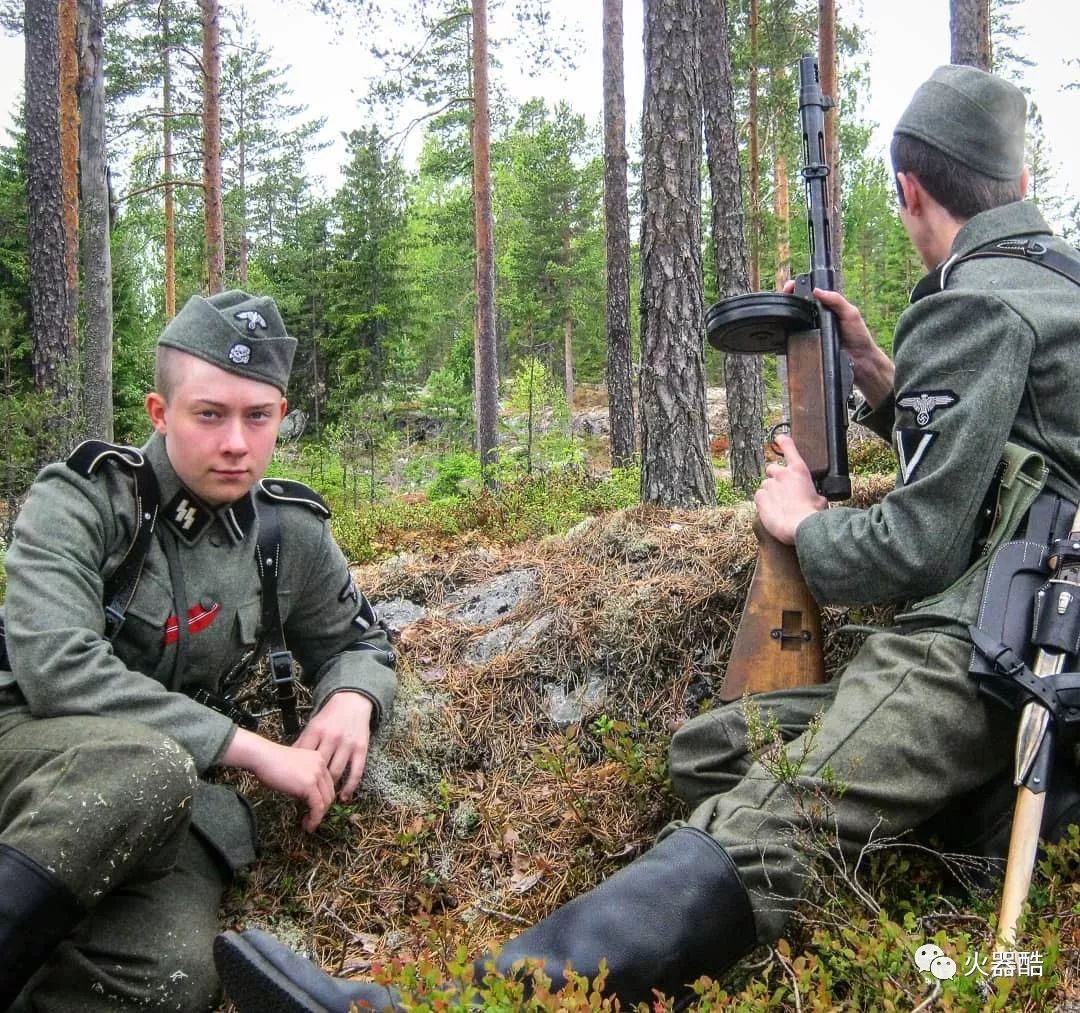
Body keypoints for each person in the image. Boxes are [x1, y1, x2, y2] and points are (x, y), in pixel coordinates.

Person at [213, 65, 1080, 1012]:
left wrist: (804, 523)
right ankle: (978, 826)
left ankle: (449, 1003)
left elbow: (915, 548)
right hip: (1042, 642)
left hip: (1000, 647)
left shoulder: (972, 302)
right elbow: (1011, 455)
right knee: (712, 751)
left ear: (909, 189)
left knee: (771, 807)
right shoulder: (1052, 288)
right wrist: (877, 374)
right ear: (1020, 182)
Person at [0, 290, 398, 1011]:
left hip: (172, 807)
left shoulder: (287, 533)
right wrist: (247, 747)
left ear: (282, 414)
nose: (237, 443)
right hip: (29, 758)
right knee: (148, 764)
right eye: (209, 414)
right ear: (160, 413)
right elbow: (56, 667)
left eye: (259, 415)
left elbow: (361, 639)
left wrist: (353, 694)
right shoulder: (86, 502)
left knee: (171, 975)